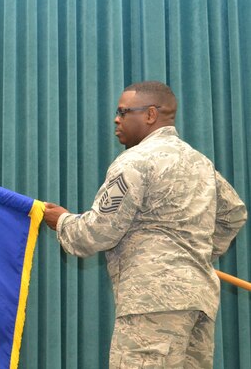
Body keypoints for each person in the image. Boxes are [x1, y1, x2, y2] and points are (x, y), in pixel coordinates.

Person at [43, 81, 247, 368]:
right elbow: (234, 214)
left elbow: (96, 232)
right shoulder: (199, 162)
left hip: (152, 305)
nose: (116, 118)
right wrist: (193, 253)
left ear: (150, 114)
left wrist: (61, 221)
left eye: (123, 111)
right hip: (199, 301)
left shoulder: (135, 161)